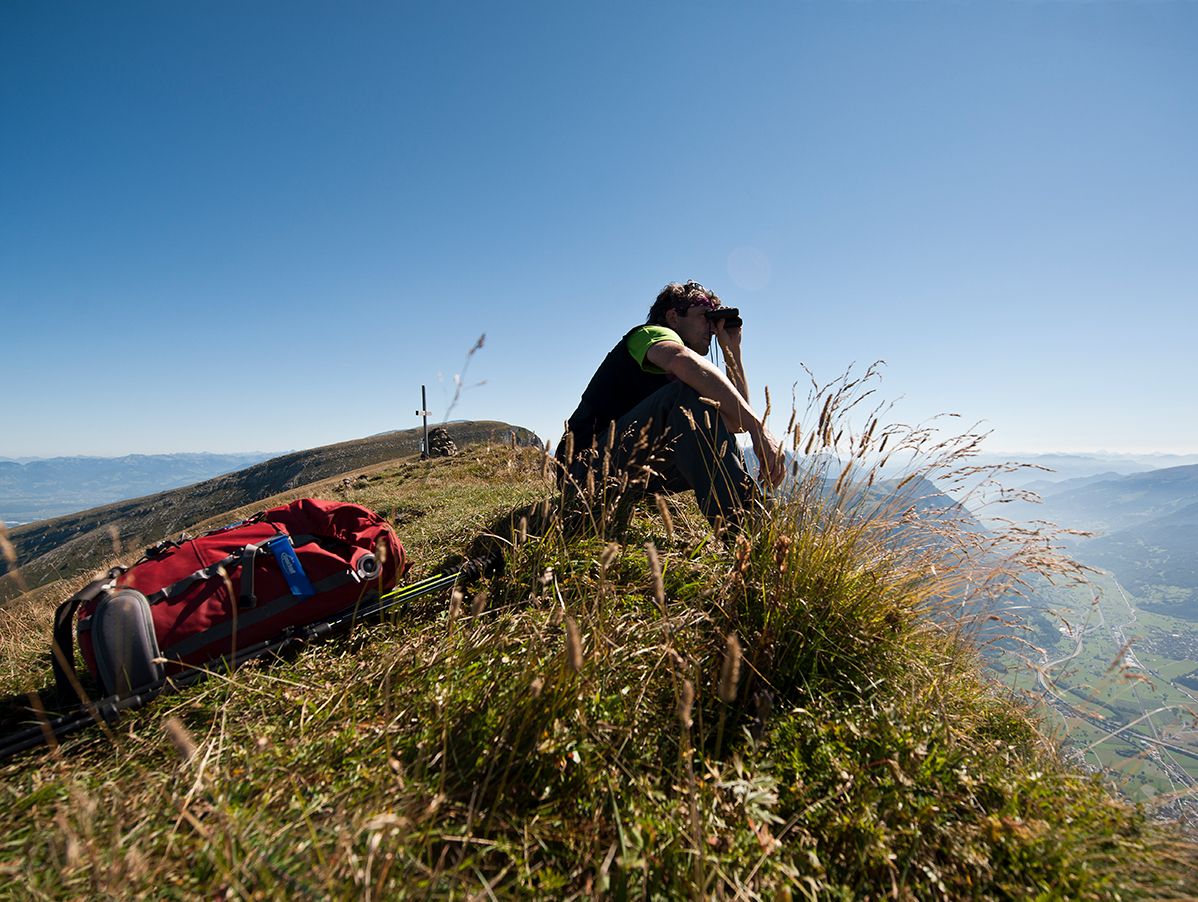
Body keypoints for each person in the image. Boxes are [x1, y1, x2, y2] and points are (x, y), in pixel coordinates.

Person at [555, 280, 786, 531]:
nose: (711, 326)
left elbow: (735, 422)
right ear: (674, 317)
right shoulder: (649, 334)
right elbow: (681, 359)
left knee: (717, 431)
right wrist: (759, 429)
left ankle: (754, 529)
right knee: (687, 396)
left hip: (630, 474)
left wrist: (732, 352)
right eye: (704, 316)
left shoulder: (691, 373)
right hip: (581, 472)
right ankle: (747, 534)